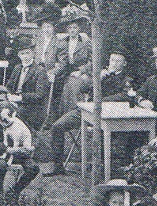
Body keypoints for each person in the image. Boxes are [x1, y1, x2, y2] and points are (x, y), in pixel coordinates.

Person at [46, 48, 133, 176]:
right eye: (112, 60)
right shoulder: (101, 74)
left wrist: (100, 101)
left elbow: (124, 96)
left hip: (107, 115)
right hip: (87, 110)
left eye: (118, 61)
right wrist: (97, 79)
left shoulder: (127, 79)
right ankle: (58, 166)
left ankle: (106, 169)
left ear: (124, 63)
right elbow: (83, 88)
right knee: (57, 126)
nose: (114, 63)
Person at [0, 85, 39, 206]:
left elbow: (29, 130)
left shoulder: (15, 114)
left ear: (7, 100)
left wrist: (30, 146)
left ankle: (14, 192)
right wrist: (7, 149)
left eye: (2, 100)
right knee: (0, 166)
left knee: (33, 168)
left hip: (18, 149)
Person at [5, 43, 49, 129]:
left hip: (32, 106)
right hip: (15, 101)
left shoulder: (40, 70)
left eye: (27, 53)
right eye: (22, 54)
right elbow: (9, 86)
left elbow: (39, 95)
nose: (25, 56)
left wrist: (21, 98)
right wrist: (9, 95)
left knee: (16, 113)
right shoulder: (17, 68)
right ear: (19, 55)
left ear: (33, 54)